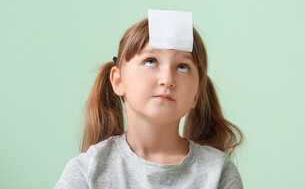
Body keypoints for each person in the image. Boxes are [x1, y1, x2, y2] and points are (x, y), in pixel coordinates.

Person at [55, 11, 244, 189]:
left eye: (183, 66)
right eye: (150, 61)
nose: (168, 80)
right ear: (118, 80)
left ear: (196, 94)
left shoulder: (219, 173)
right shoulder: (87, 171)